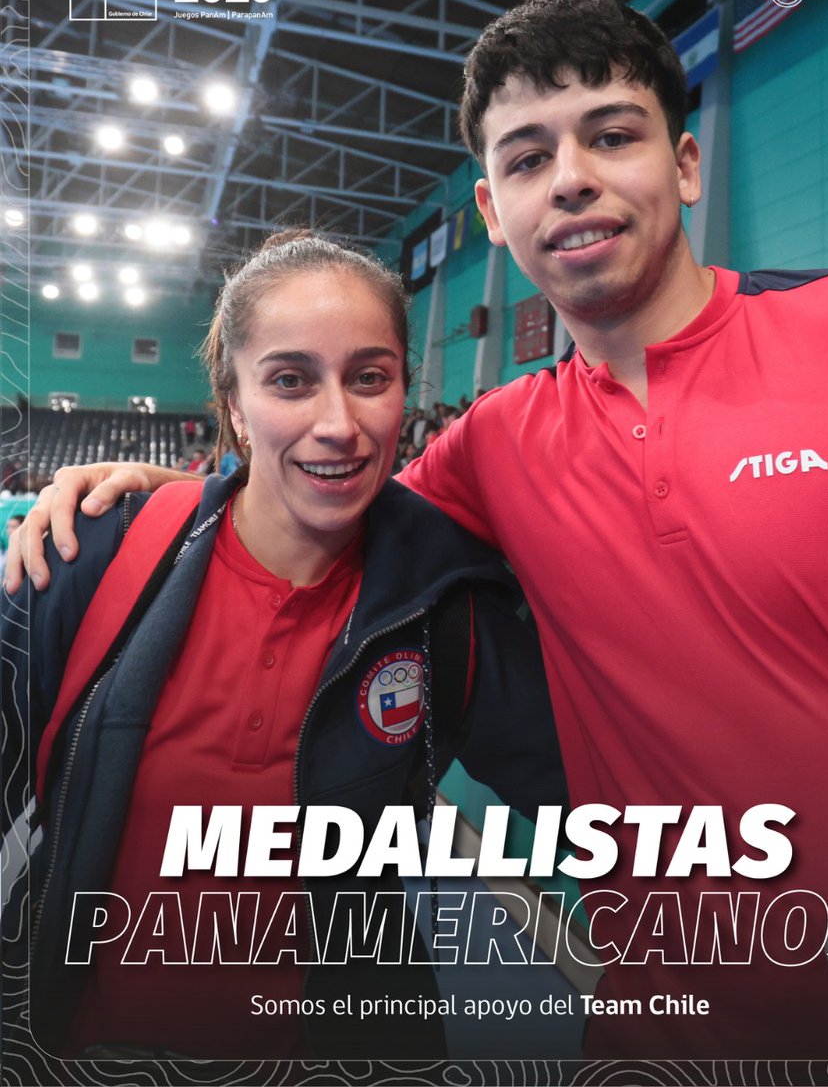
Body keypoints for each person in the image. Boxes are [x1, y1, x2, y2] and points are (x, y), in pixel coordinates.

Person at [7, 0, 828, 1062]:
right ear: (494, 215)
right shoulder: (495, 447)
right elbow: (318, 487)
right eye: (527, 157)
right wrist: (169, 492)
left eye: (612, 135)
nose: (572, 178)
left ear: (687, 164)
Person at [1, 230, 566, 1060]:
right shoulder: (94, 552)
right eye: (290, 380)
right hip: (75, 1049)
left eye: (369, 378)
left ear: (403, 391)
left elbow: (606, 797)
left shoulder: (445, 608)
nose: (338, 424)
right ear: (233, 402)